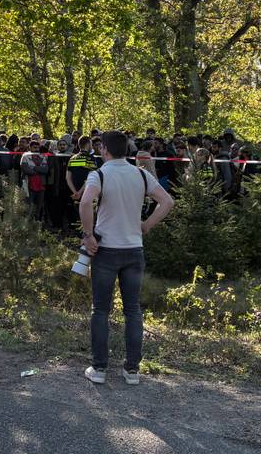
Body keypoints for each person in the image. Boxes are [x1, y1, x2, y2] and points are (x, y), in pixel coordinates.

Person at [77, 130, 174, 386]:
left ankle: (99, 369)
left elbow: (86, 203)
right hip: (134, 249)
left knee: (101, 310)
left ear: (104, 150)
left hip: (106, 249)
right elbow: (167, 201)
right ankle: (132, 370)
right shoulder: (141, 174)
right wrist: (147, 224)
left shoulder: (98, 174)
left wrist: (88, 236)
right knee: (133, 311)